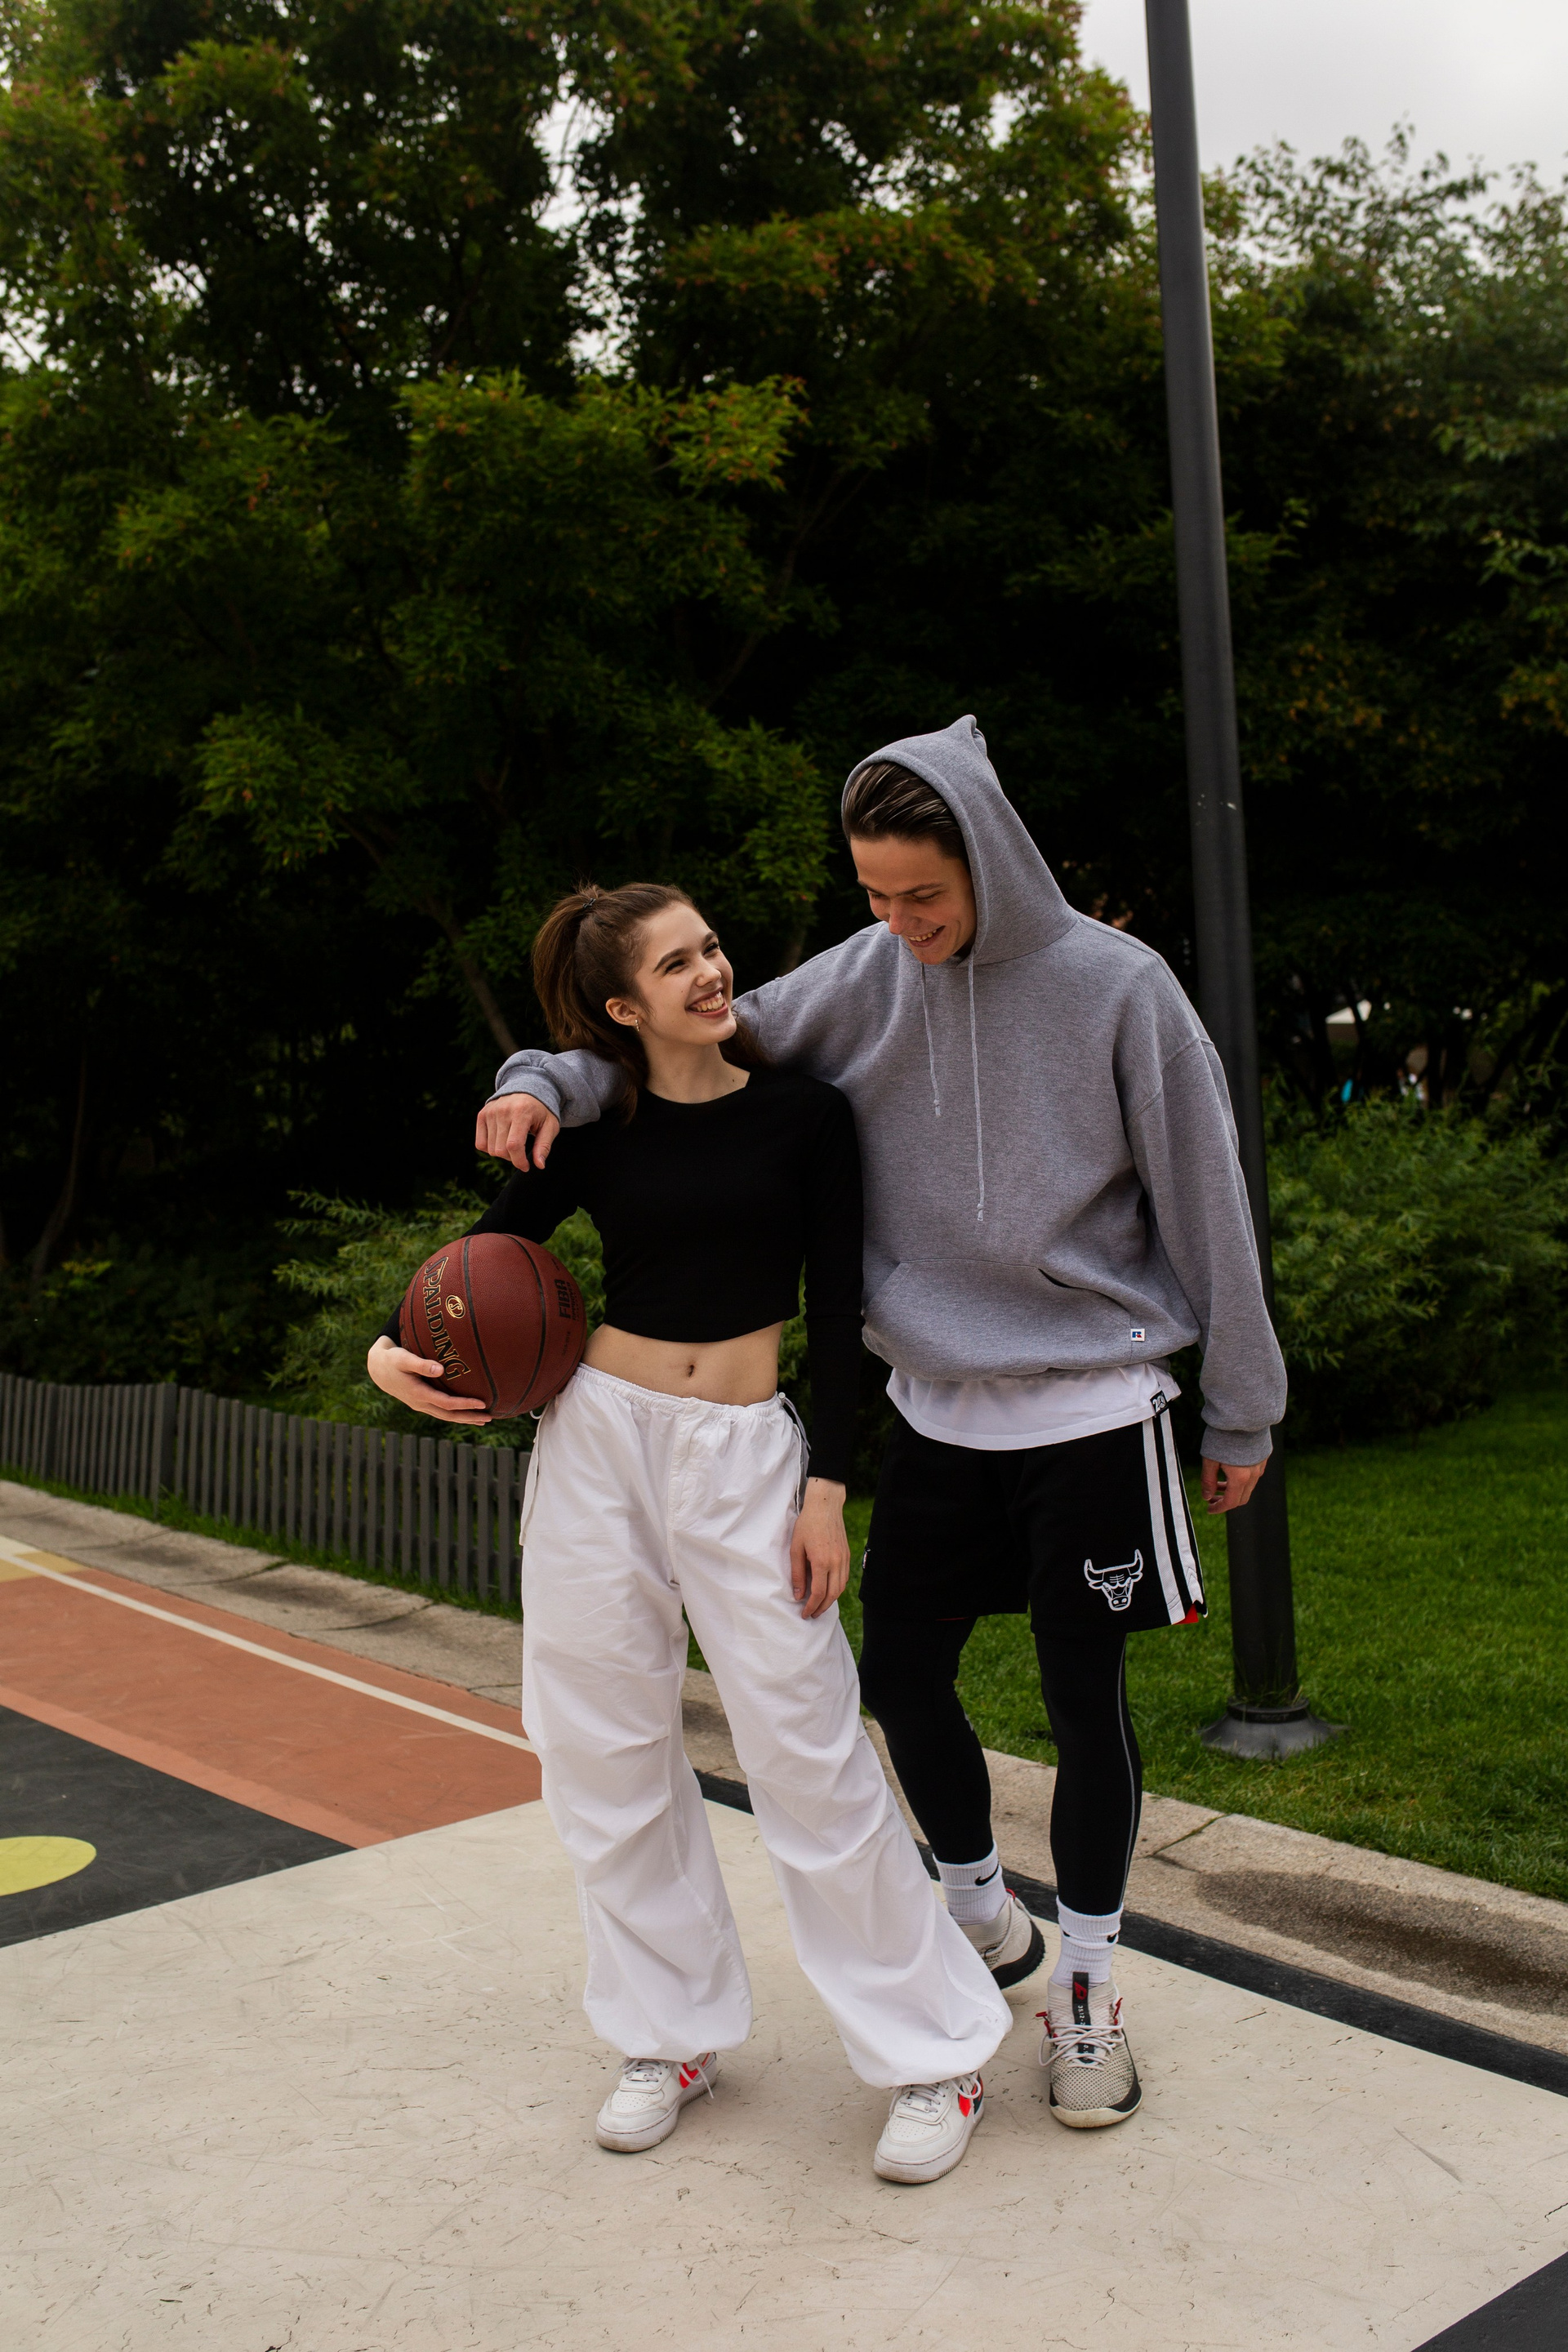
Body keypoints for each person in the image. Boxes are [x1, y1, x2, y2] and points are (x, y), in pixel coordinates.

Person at [474, 719, 1287, 2133]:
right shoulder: (864, 977)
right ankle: (978, 1915)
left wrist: (1246, 1405)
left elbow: (1208, 1200)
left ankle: (1087, 1990)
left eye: (925, 896)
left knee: (1079, 1699)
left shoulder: (1119, 988)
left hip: (1094, 1401)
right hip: (935, 1410)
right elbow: (676, 1048)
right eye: (874, 896)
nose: (901, 924)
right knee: (900, 1685)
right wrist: (538, 1079)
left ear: (994, 862)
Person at [368, 880, 1009, 2182]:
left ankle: (936, 2054)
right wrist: (391, 1353)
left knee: (809, 1749)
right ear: (622, 1007)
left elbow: (839, 1312)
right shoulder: (592, 1133)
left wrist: (827, 1489)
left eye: (711, 948)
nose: (713, 973)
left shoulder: (807, 1116)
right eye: (678, 964)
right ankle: (669, 2035)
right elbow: (479, 1269)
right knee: (599, 1748)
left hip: (745, 1456)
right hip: (597, 1444)